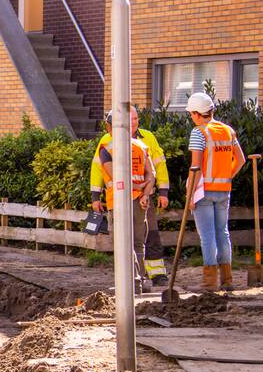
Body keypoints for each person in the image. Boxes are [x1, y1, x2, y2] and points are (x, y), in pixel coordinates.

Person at [91, 107, 171, 285]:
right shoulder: (127, 144)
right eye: (130, 119)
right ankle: (137, 279)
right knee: (137, 241)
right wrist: (95, 196)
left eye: (136, 119)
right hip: (137, 196)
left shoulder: (143, 140)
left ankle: (149, 276)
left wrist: (162, 191)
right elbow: (97, 168)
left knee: (141, 238)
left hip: (131, 198)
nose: (134, 122)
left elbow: (159, 166)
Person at [186, 92, 246, 291]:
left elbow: (195, 167)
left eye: (191, 114)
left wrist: (190, 195)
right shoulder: (228, 131)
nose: (191, 117)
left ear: (196, 113)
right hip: (223, 189)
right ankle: (227, 280)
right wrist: (227, 176)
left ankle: (209, 282)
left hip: (204, 190)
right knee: (223, 233)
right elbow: (241, 160)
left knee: (208, 236)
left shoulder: (199, 132)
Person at [93, 122, 156, 292]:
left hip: (119, 200)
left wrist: (136, 188)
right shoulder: (141, 146)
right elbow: (152, 174)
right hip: (139, 201)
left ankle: (132, 283)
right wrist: (144, 193)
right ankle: (141, 282)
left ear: (108, 127)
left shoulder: (107, 148)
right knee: (138, 242)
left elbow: (117, 176)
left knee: (123, 242)